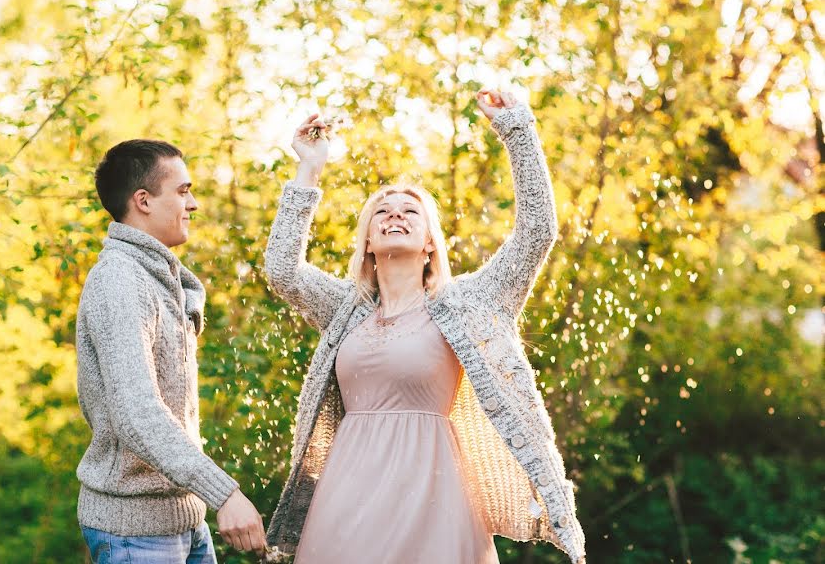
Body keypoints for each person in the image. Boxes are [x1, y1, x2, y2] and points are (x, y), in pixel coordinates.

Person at [262, 90, 586, 564]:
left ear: (431, 243)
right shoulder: (345, 308)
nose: (395, 214)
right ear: (368, 242)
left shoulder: (470, 302)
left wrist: (517, 128)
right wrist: (308, 168)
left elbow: (537, 231)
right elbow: (282, 271)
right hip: (347, 496)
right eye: (382, 211)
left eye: (410, 211)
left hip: (436, 497)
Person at [75, 139, 266, 563]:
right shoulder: (120, 281)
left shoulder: (159, 280)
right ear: (142, 200)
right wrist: (224, 493)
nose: (193, 203)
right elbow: (136, 414)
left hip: (184, 522)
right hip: (134, 534)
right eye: (182, 191)